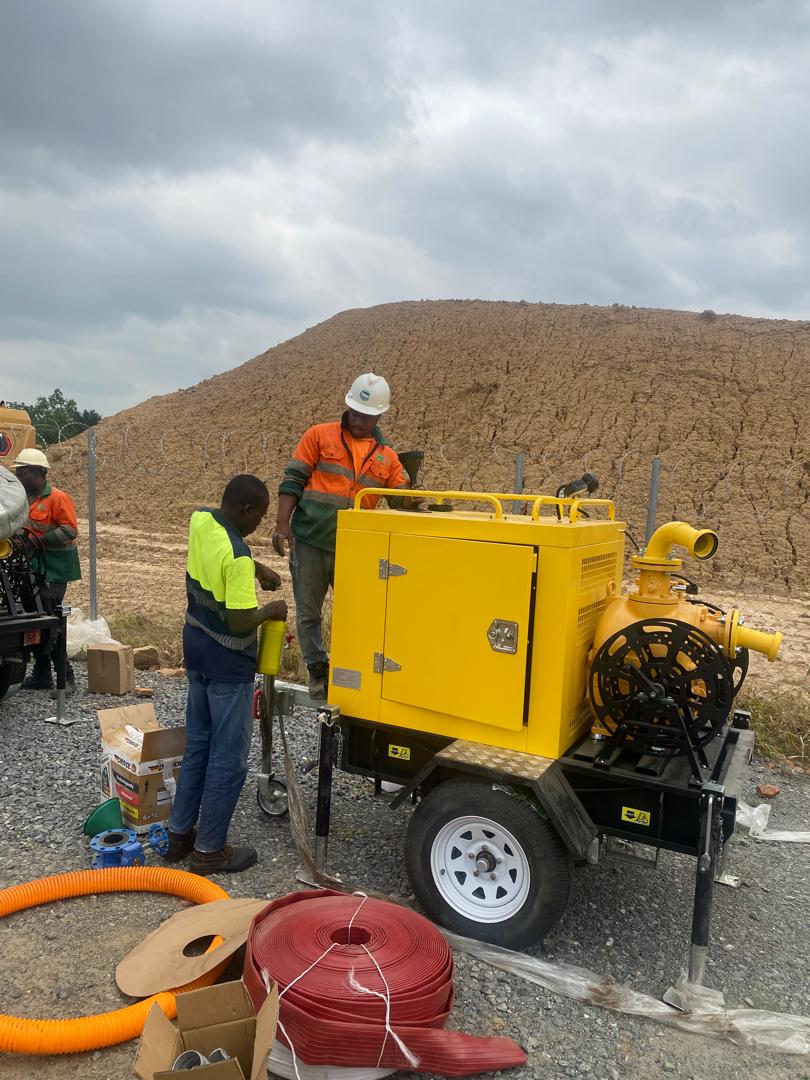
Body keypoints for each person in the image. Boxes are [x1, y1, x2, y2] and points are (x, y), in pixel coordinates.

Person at [166, 474, 287, 875]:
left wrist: (258, 566)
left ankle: (179, 835)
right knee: (229, 759)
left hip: (195, 650)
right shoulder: (236, 556)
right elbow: (238, 623)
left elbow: (223, 553)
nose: (258, 526)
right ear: (246, 511)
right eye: (259, 518)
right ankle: (209, 851)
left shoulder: (202, 520)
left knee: (198, 743)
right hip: (227, 664)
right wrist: (271, 610)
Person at [273, 373, 408, 699]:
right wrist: (281, 525)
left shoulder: (386, 457)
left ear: (380, 415)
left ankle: (351, 675)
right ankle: (318, 673)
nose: (359, 419)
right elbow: (293, 481)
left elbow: (403, 499)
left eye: (367, 415)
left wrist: (410, 486)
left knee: (356, 615)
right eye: (355, 411)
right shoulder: (319, 436)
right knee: (308, 613)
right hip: (310, 541)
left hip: (355, 550)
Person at [12, 447, 81, 692]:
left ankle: (67, 678)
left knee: (50, 620)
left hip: (53, 570)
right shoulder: (25, 498)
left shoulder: (57, 498)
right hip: (30, 568)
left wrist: (39, 540)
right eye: (18, 472)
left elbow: (70, 530)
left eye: (24, 472)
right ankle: (42, 676)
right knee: (33, 619)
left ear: (40, 472)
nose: (19, 477)